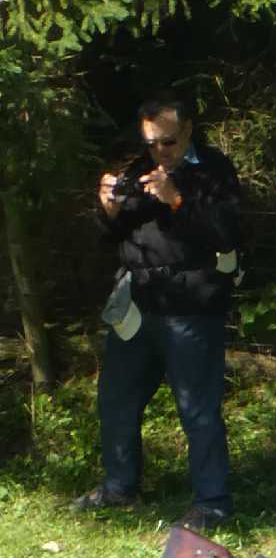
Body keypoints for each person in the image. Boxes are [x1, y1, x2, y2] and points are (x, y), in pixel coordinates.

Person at [78, 96, 241, 527]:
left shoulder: (213, 169)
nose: (159, 151)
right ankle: (120, 489)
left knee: (197, 408)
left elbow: (226, 234)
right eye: (150, 143)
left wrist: (178, 200)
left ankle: (213, 502)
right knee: (117, 399)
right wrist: (108, 208)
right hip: (137, 303)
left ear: (187, 130)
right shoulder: (138, 168)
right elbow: (111, 235)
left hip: (191, 305)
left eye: (167, 142)